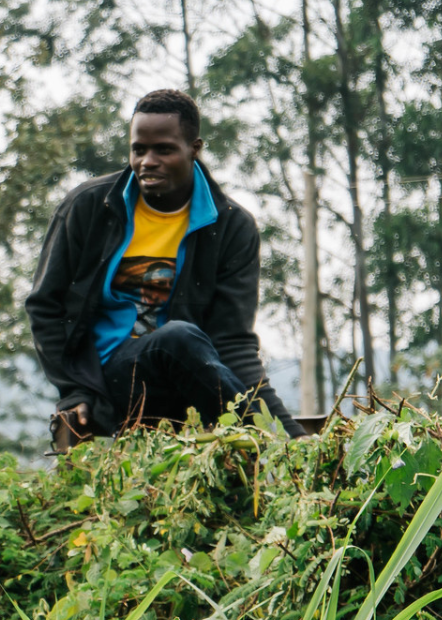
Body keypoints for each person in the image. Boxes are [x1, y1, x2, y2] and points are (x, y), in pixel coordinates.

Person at [25, 89, 308, 454]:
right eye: (138, 149)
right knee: (177, 338)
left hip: (184, 381)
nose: (147, 161)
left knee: (180, 340)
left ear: (195, 148)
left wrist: (289, 430)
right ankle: (278, 448)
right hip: (104, 380)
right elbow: (44, 306)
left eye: (164, 149)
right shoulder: (89, 207)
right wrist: (74, 389)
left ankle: (284, 450)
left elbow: (232, 342)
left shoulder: (230, 227)